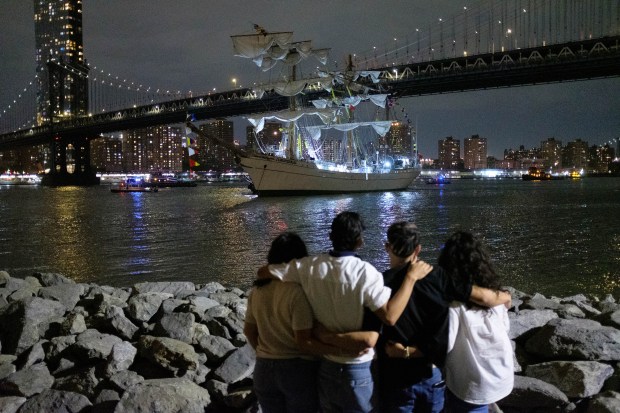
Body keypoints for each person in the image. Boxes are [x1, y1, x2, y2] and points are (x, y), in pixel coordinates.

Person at [259, 212, 433, 413]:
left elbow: (263, 272)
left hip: (327, 366)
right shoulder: (366, 273)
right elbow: (390, 316)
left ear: (330, 236)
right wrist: (410, 278)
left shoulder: (308, 266)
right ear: (359, 241)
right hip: (358, 367)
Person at [343, 221, 512, 413]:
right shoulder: (439, 278)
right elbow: (482, 297)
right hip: (430, 374)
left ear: (387, 247)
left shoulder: (379, 283)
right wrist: (505, 296)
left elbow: (371, 330)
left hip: (395, 376)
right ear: (418, 249)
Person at [245, 231, 355, 413]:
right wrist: (340, 350)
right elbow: (303, 342)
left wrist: (265, 352)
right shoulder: (297, 292)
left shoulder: (256, 291)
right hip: (296, 369)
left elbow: (249, 331)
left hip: (263, 369)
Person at [439, 231, 514, 413]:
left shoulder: (453, 306)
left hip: (473, 385)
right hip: (500, 375)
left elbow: (444, 345)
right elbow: (505, 327)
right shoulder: (496, 295)